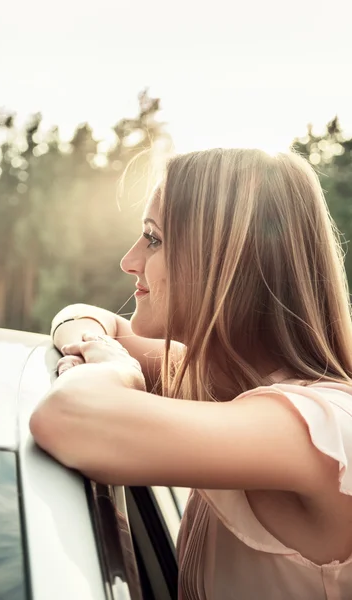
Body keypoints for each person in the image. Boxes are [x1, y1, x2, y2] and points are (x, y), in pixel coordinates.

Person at [30, 148, 352, 600]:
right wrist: (98, 346)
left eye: (154, 239)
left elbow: (65, 417)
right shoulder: (225, 383)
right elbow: (81, 315)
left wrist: (118, 371)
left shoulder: (318, 428)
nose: (129, 260)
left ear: (229, 260)